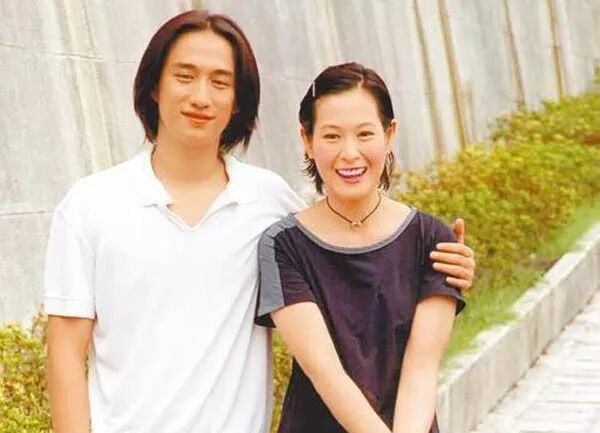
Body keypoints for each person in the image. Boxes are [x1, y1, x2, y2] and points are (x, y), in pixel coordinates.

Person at [43, 10, 475, 433]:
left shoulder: (269, 202)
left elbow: (348, 242)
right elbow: (65, 353)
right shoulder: (90, 206)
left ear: (238, 101)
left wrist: (447, 265)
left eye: (220, 82)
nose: (201, 96)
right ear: (155, 85)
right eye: (185, 76)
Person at [256, 62, 466, 433]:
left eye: (365, 134)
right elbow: (325, 371)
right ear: (307, 140)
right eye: (332, 136)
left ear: (389, 134)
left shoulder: (433, 240)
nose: (350, 153)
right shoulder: (283, 245)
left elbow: (421, 368)